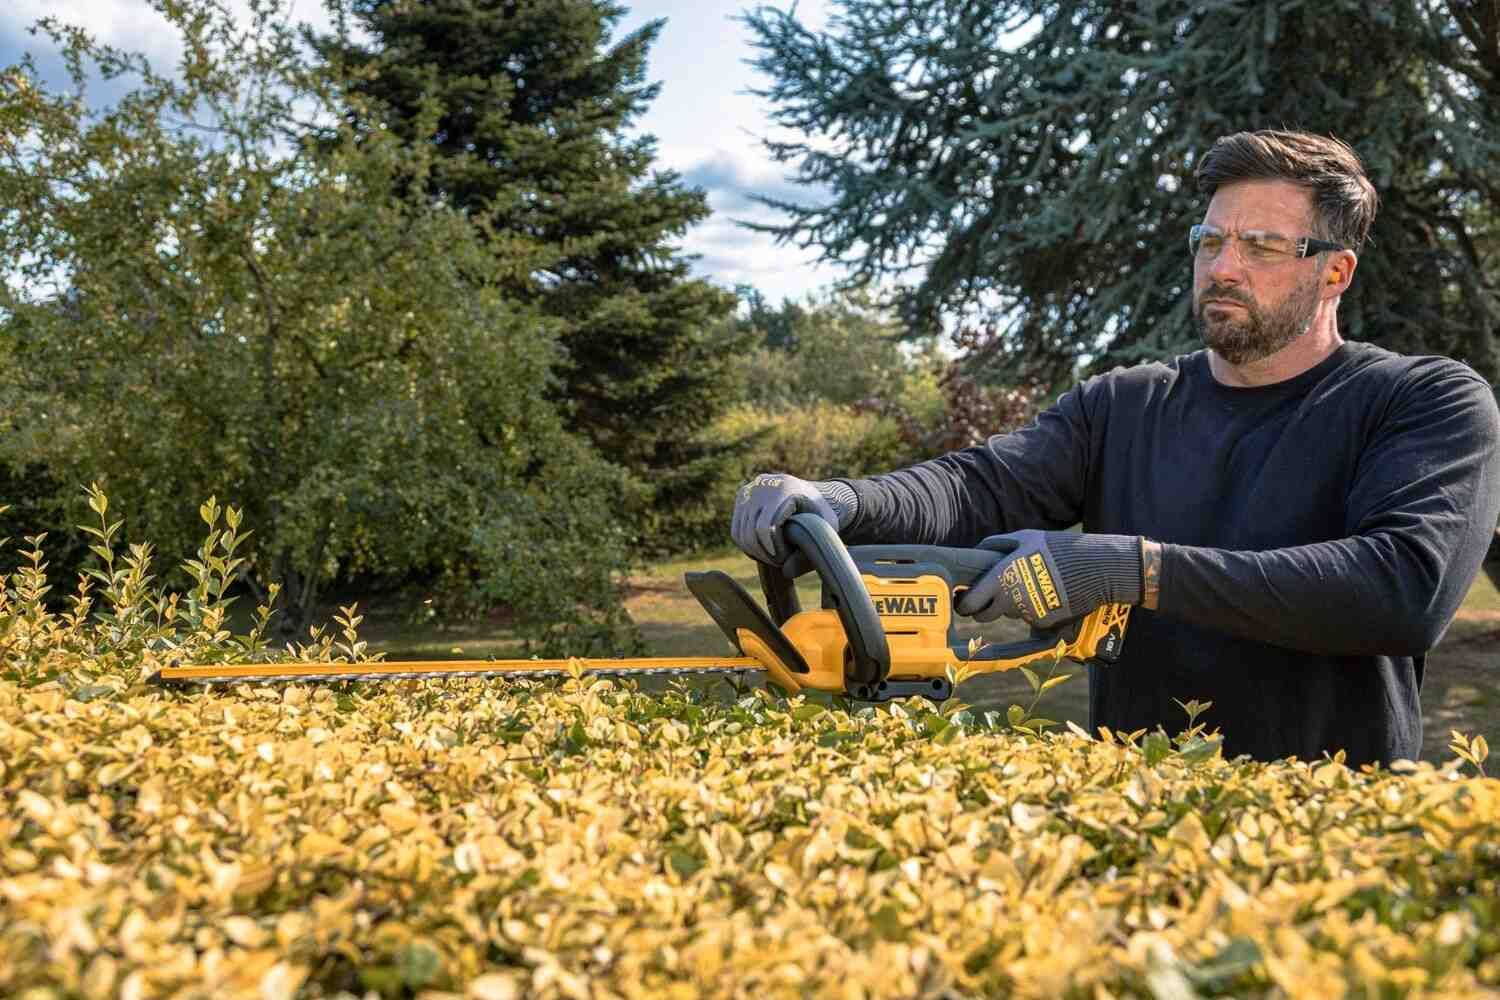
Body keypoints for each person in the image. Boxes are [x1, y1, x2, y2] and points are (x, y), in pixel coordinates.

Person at [731, 129, 1500, 769]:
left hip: (1330, 834)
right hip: (1132, 819)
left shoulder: (1421, 400)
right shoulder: (1125, 404)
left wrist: (1133, 571)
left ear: (1335, 271)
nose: (1223, 268)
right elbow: (977, 488)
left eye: (1263, 246)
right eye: (1210, 241)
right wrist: (838, 501)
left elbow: (1403, 590)